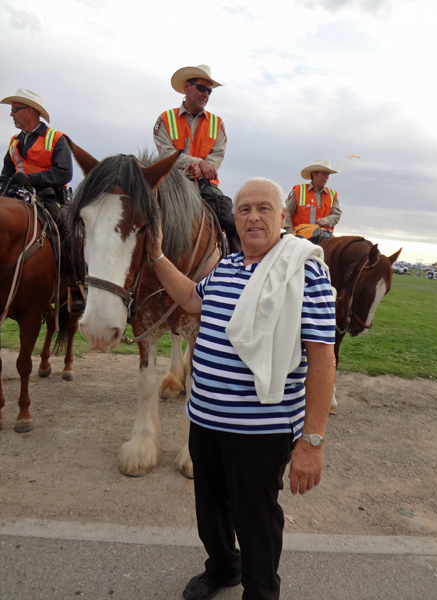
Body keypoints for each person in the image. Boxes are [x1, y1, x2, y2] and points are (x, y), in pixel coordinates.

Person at [145, 177, 336, 600]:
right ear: (235, 217)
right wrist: (156, 255)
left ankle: (261, 591)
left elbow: (323, 359)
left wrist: (313, 441)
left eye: (264, 208)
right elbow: (193, 300)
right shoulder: (227, 266)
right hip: (204, 420)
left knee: (256, 520)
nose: (253, 217)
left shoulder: (305, 271)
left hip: (261, 431)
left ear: (283, 218)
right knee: (210, 512)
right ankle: (223, 569)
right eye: (245, 208)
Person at [0, 88, 84, 312]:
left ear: (30, 111)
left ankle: (76, 284)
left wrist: (31, 179)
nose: (11, 114)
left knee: (68, 229)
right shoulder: (13, 142)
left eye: (15, 109)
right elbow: (5, 175)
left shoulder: (57, 139)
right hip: (15, 196)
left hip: (48, 197)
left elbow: (64, 173)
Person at [153, 64, 240, 252]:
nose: (206, 94)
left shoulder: (217, 123)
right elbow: (166, 154)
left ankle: (240, 262)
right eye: (201, 88)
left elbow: (217, 154)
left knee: (230, 217)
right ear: (187, 87)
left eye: (209, 91)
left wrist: (202, 168)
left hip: (205, 185)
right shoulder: (165, 119)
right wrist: (194, 163)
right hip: (172, 183)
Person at [284, 159, 342, 234]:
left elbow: (337, 215)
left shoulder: (332, 194)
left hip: (325, 238)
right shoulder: (298, 190)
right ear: (314, 174)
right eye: (324, 173)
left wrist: (325, 221)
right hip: (300, 237)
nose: (327, 177)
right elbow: (286, 212)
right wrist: (289, 233)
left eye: (328, 174)